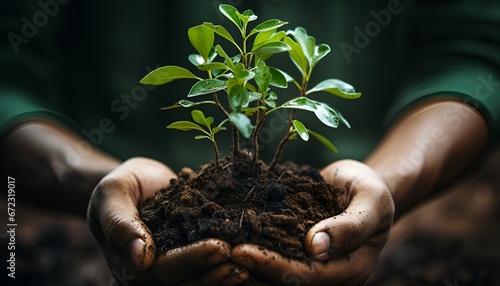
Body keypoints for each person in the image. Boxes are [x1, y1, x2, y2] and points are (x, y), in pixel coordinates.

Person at [1, 0, 499, 285]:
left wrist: (385, 183)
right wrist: (95, 184)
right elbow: (9, 73)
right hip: (81, 237)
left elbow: (473, 49)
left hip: (393, 229)